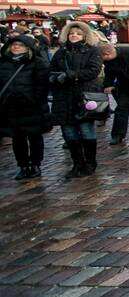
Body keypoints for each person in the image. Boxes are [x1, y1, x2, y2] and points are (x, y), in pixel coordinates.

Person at [50, 21, 104, 178]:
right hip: (64, 97)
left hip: (84, 95)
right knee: (69, 131)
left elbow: (93, 71)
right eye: (72, 33)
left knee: (86, 129)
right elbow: (51, 70)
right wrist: (54, 78)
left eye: (78, 34)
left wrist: (70, 75)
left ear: (85, 36)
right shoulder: (60, 52)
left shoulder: (92, 51)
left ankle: (90, 162)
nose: (74, 36)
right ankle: (77, 163)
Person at [0, 34, 51, 179]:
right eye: (14, 44)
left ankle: (36, 164)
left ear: (27, 48)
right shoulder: (3, 62)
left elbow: (43, 85)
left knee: (35, 136)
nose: (16, 47)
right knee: (18, 138)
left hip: (31, 106)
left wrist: (36, 99)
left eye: (20, 45)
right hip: (10, 106)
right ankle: (22, 165)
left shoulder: (37, 63)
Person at [98, 42, 129, 145]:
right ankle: (118, 135)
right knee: (121, 108)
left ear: (107, 53)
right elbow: (109, 73)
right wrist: (108, 84)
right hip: (124, 84)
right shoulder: (108, 61)